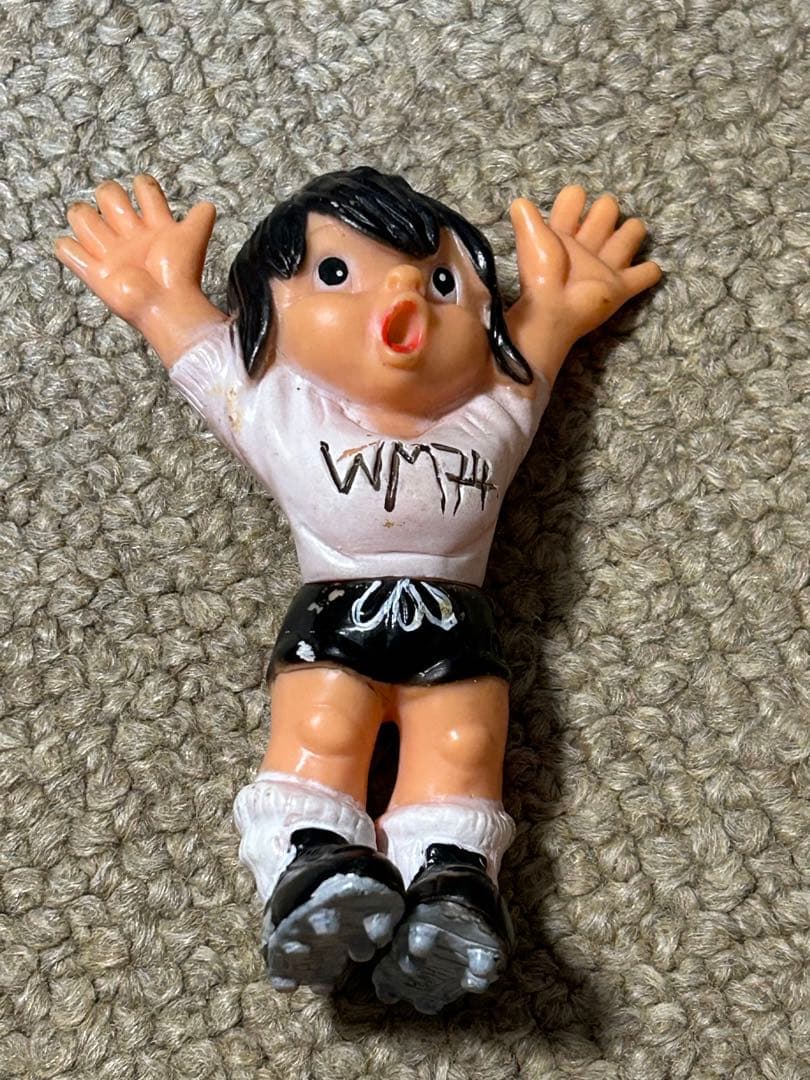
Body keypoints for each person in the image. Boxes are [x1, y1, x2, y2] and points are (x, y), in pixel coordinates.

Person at [56, 166, 661, 1013]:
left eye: (444, 283)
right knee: (323, 732)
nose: (406, 296)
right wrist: (161, 298)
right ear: (268, 318)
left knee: (463, 752)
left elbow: (538, 343)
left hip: (456, 624)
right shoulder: (281, 409)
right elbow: (203, 356)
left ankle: (453, 888)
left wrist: (559, 307)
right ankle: (311, 865)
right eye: (336, 273)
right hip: (335, 620)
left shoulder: (493, 411)